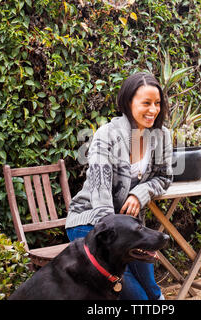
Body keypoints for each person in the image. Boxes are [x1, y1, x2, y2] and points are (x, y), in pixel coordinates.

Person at [65, 72, 173, 300]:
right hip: (94, 225)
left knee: (152, 291)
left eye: (157, 103)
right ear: (128, 102)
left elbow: (164, 178)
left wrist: (139, 193)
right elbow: (99, 192)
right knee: (136, 297)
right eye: (146, 103)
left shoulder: (162, 136)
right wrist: (116, 244)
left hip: (130, 230)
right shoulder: (107, 135)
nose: (153, 110)